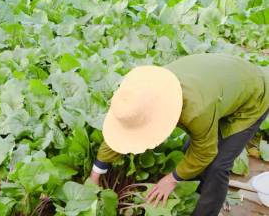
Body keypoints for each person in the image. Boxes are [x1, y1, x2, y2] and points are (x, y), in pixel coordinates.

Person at [89, 53, 269, 216]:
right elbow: (122, 134)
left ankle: (206, 211)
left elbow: (204, 152)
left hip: (252, 95)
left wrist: (171, 179)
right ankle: (194, 191)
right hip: (219, 80)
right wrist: (95, 175)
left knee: (217, 166)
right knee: (189, 150)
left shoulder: (195, 111)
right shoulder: (141, 94)